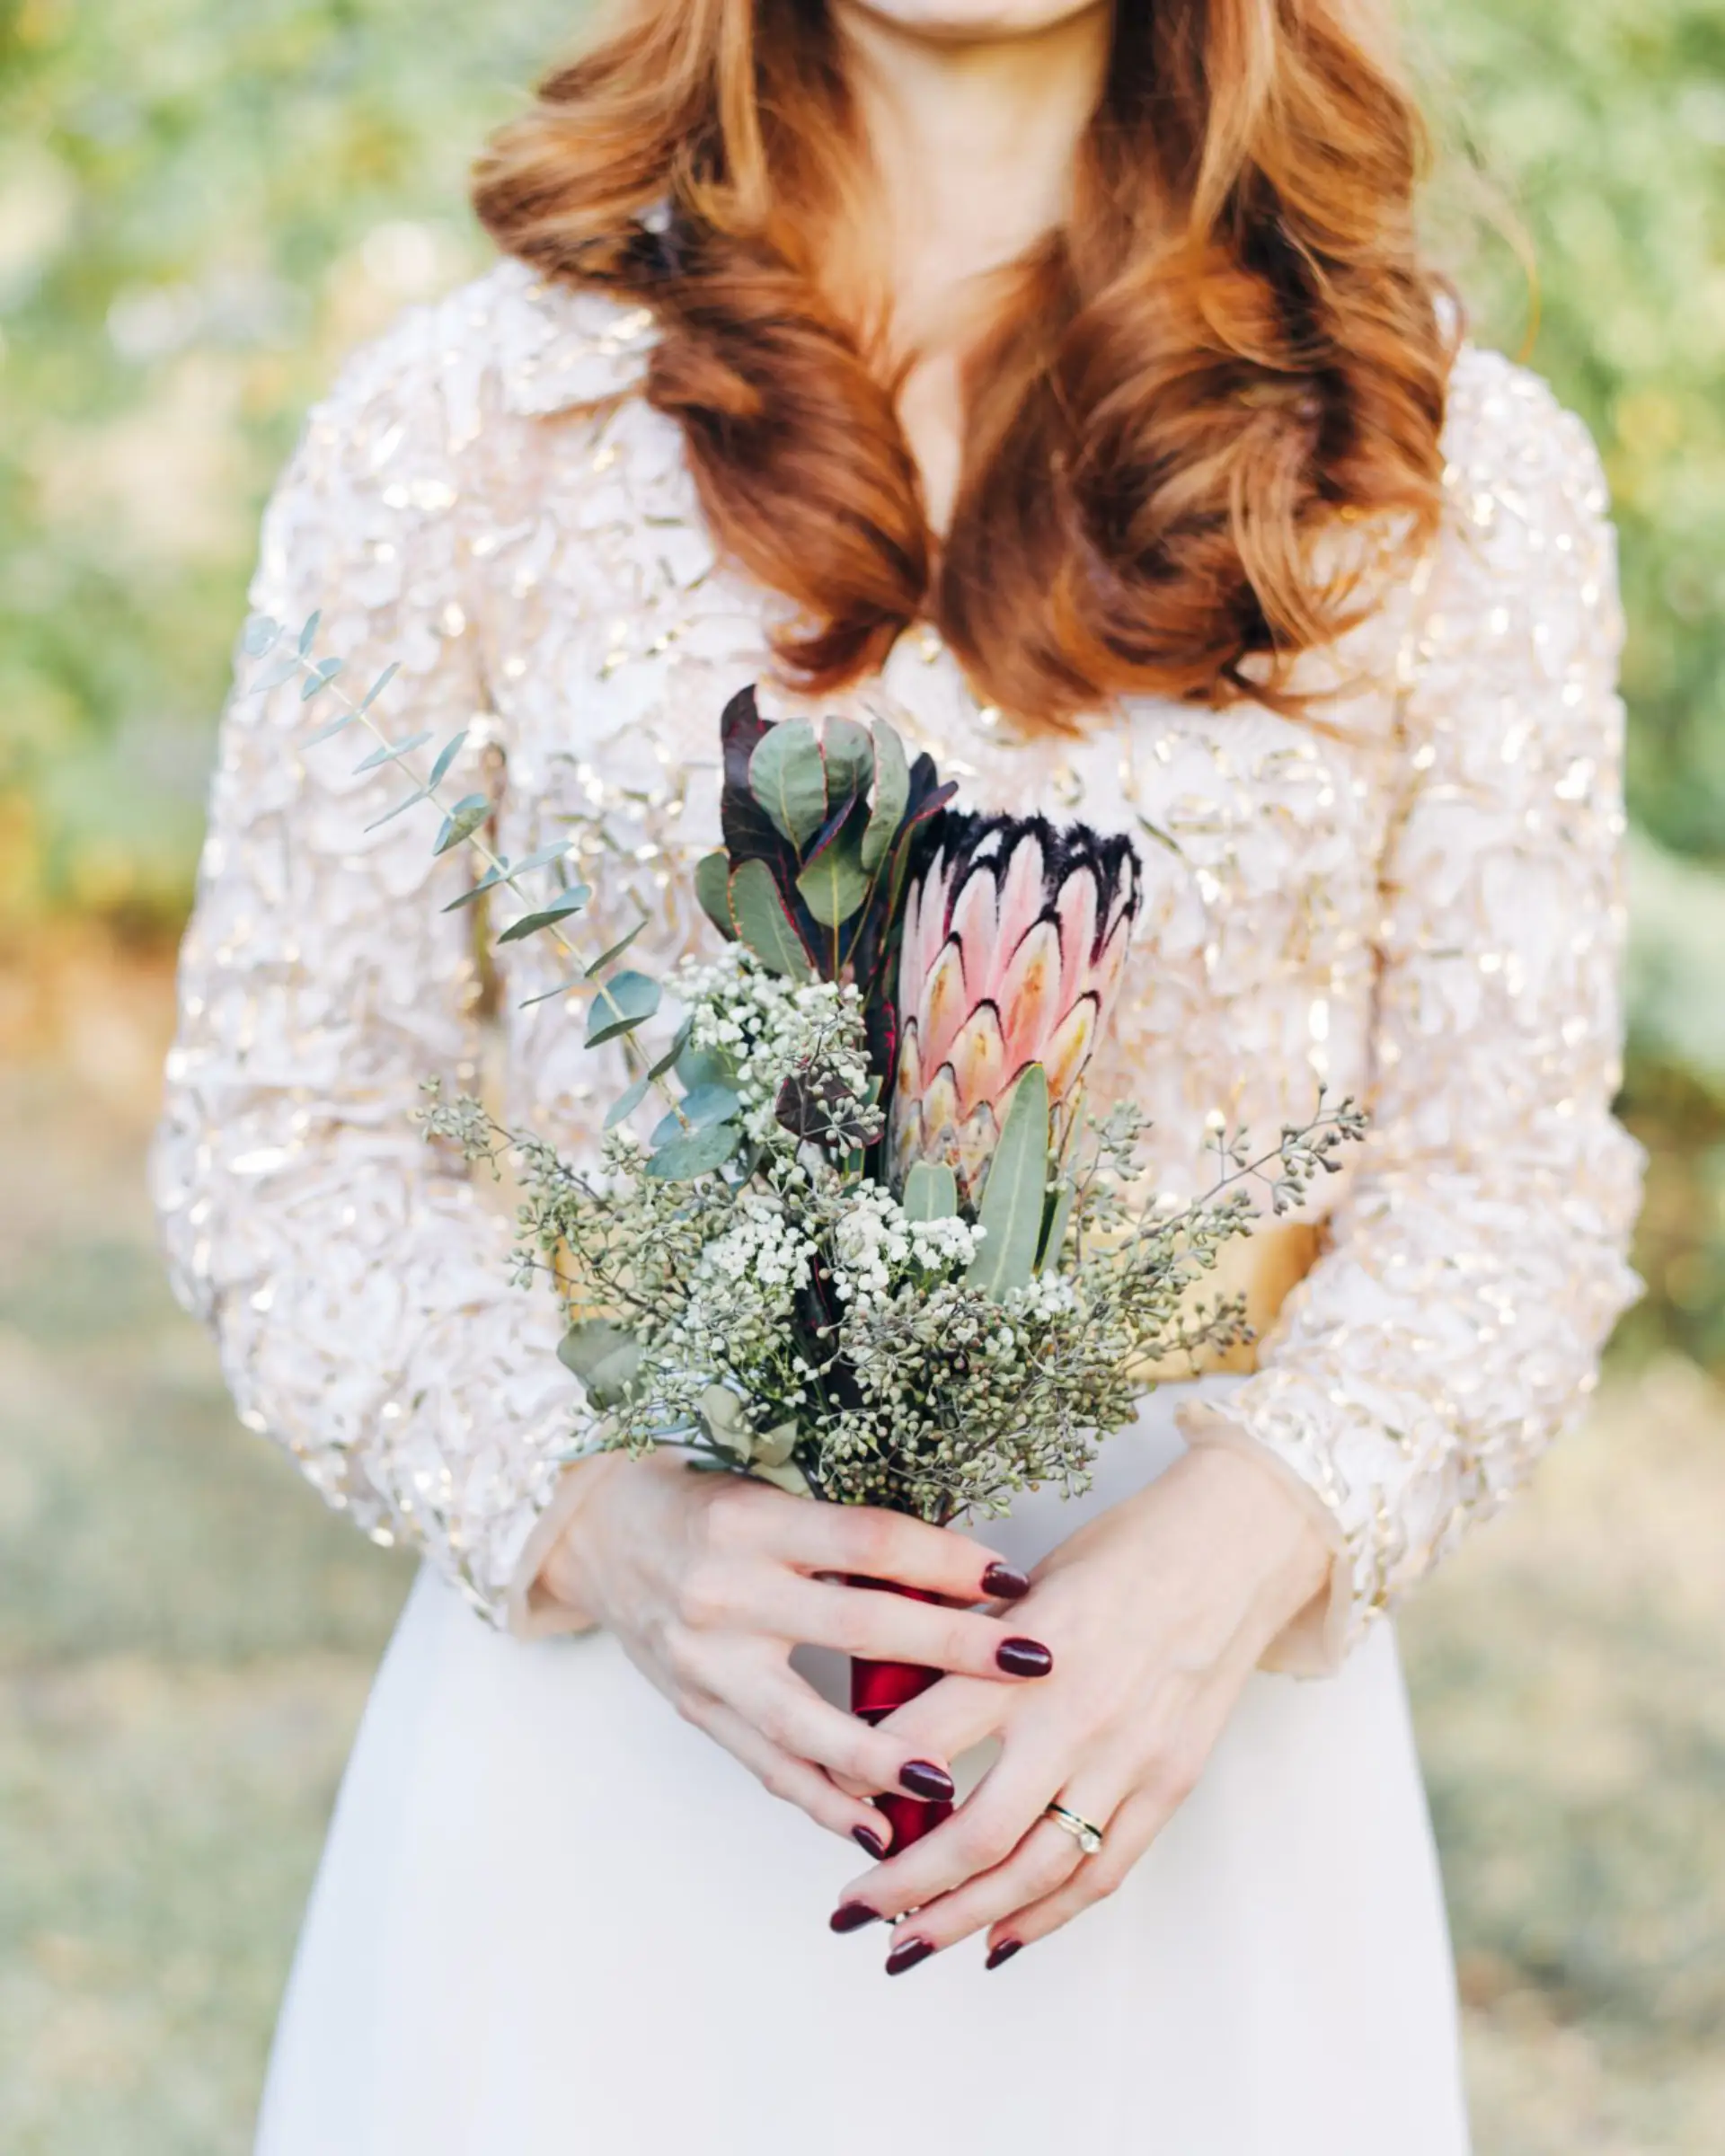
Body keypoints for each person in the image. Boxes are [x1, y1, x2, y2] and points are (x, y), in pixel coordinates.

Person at [151, 0, 1645, 2149]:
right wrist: (598, 1523)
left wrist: (1249, 1541)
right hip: (614, 1793)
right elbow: (285, 1137)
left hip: (1194, 1800)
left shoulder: (1435, 461)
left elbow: (1509, 1180)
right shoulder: (467, 432)